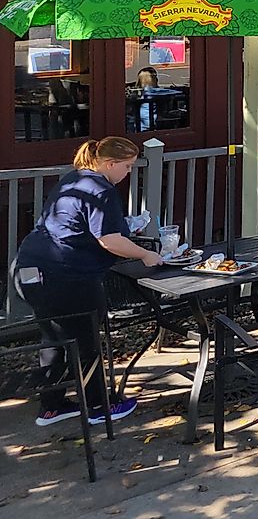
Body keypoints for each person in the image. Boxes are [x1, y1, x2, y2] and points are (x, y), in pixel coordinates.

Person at [10, 137, 163, 427]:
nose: (128, 173)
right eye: (127, 166)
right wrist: (146, 255)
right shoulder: (102, 189)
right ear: (110, 164)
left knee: (54, 339)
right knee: (86, 342)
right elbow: (109, 241)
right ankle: (98, 407)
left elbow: (80, 224)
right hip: (65, 274)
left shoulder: (75, 178)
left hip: (29, 269)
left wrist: (126, 228)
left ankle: (51, 406)